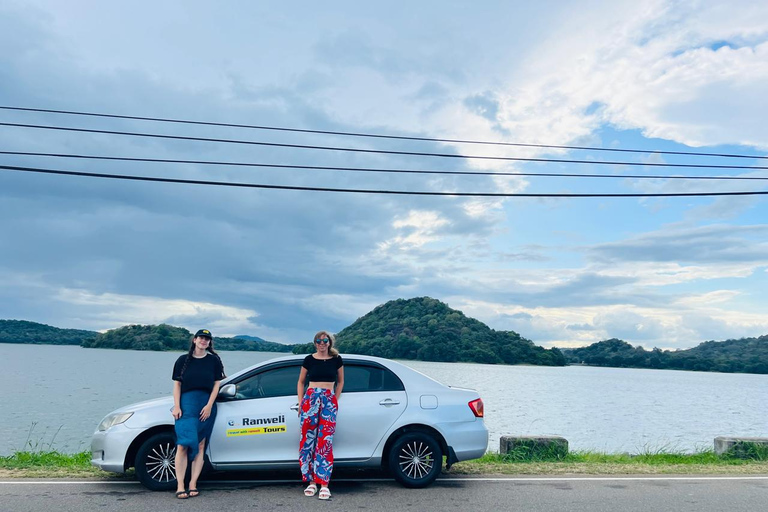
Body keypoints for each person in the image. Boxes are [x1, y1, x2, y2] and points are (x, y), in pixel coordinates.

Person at [171, 329, 225, 499]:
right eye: (201, 338)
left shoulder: (214, 360)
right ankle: (180, 485)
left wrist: (209, 405)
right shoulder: (183, 360)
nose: (204, 341)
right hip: (187, 405)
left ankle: (193, 483)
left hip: (206, 404)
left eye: (207, 339)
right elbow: (177, 385)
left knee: (201, 443)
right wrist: (177, 406)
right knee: (183, 443)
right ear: (194, 340)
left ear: (209, 343)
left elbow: (217, 384)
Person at [297, 331, 344, 500]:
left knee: (325, 442)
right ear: (315, 343)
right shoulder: (309, 359)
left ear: (330, 342)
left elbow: (341, 381)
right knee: (308, 440)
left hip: (328, 399)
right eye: (319, 340)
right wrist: (302, 402)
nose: (322, 343)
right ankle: (310, 481)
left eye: (325, 340)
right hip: (310, 399)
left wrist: (334, 399)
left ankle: (324, 483)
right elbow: (301, 382)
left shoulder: (337, 359)